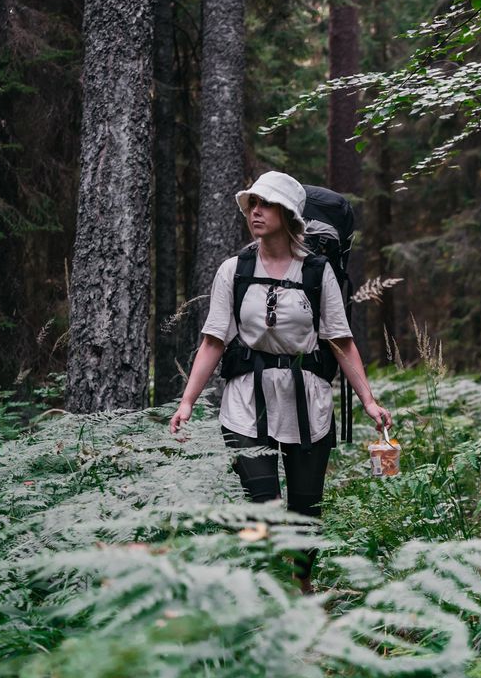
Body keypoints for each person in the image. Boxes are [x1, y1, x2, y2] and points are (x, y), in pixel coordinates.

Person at [168, 170, 392, 517]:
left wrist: (369, 402)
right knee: (263, 510)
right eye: (252, 203)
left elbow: (340, 342)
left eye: (266, 204)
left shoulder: (317, 272)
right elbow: (213, 341)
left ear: (288, 214)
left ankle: (301, 575)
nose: (255, 211)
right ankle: (267, 570)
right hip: (245, 404)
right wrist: (187, 402)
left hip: (307, 404)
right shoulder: (234, 270)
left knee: (306, 514)